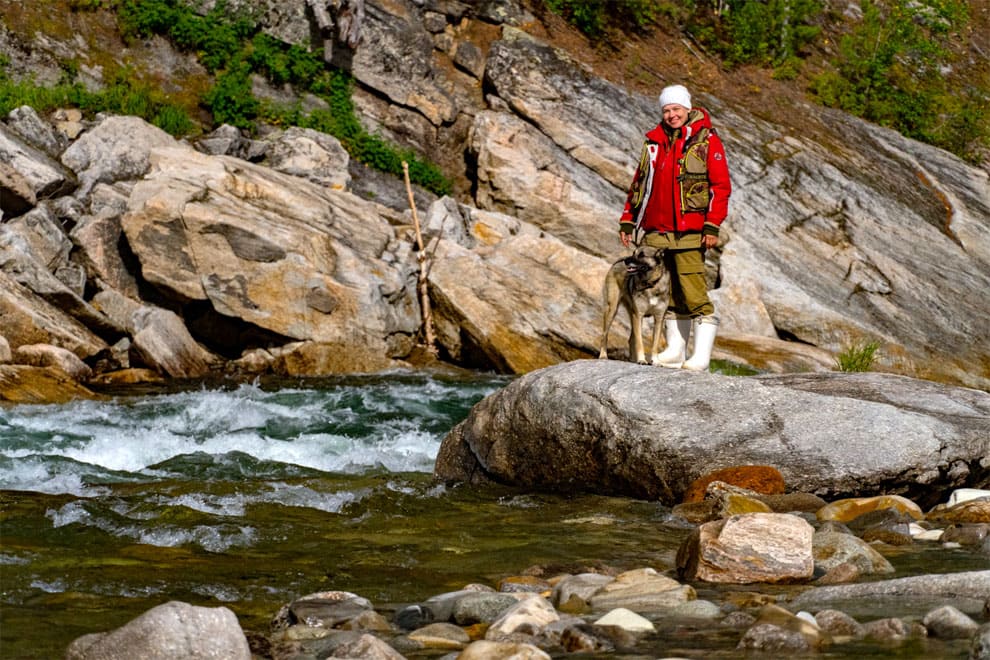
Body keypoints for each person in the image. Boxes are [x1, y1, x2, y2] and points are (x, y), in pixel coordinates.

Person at [618, 84, 731, 371]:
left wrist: (712, 226)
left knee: (693, 291)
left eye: (676, 109)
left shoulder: (707, 141)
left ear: (688, 108)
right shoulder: (653, 143)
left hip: (691, 231)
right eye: (666, 110)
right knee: (666, 291)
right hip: (656, 232)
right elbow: (638, 184)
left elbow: (721, 187)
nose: (671, 115)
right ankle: (674, 351)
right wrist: (628, 219)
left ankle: (701, 357)